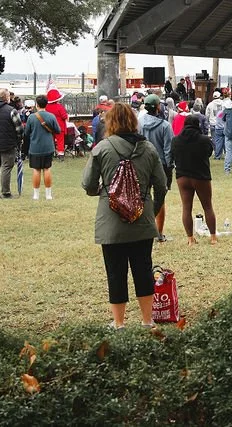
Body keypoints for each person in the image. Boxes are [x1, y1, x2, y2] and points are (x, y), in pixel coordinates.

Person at [81, 102, 168, 330]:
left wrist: (104, 191)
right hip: (142, 219)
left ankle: (119, 322)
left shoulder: (102, 148)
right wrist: (152, 209)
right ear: (133, 121)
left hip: (111, 221)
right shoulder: (148, 148)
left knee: (115, 272)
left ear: (110, 123)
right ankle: (147, 320)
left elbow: (88, 184)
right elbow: (161, 185)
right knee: (143, 269)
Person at [171, 115, 216, 245]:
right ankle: (213, 237)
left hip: (182, 176)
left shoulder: (176, 140)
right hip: (201, 176)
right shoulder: (204, 139)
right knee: (207, 206)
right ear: (197, 125)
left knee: (186, 208)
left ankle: (190, 239)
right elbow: (209, 152)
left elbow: (172, 154)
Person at [140, 94, 174, 240]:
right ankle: (158, 233)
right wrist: (169, 166)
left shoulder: (138, 123)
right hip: (161, 165)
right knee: (160, 198)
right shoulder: (165, 126)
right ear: (158, 107)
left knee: (143, 196)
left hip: (142, 164)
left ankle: (143, 228)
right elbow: (168, 149)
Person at [23, 95, 61, 200]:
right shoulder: (51, 116)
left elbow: (26, 133)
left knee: (36, 170)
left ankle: (36, 195)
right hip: (48, 147)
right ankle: (48, 195)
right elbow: (58, 130)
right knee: (47, 169)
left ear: (37, 105)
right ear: (46, 104)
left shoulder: (31, 117)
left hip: (35, 147)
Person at [44, 88, 69, 157]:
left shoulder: (46, 107)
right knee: (60, 140)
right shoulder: (59, 107)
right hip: (59, 126)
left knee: (50, 140)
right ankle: (60, 154)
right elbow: (64, 116)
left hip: (49, 126)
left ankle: (51, 153)